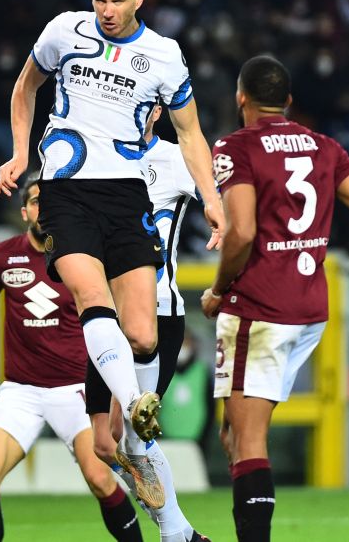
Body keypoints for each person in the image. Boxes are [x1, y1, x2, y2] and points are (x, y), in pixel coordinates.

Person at [0, 0, 224, 504]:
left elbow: (190, 135)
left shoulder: (164, 56)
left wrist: (211, 198)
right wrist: (20, 154)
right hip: (66, 189)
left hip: (126, 196)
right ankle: (138, 409)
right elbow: (25, 89)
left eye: (117, 1)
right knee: (91, 296)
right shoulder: (62, 31)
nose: (107, 11)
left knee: (143, 334)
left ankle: (137, 442)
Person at [201, 56, 349, 542]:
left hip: (260, 309)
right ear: (288, 102)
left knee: (246, 441)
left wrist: (218, 289)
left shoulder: (234, 147)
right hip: (309, 313)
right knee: (236, 437)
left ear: (240, 97)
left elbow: (242, 231)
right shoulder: (324, 147)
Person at [0, 174, 143, 542]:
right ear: (25, 211)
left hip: (79, 390)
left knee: (102, 479)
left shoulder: (84, 259)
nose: (44, 208)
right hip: (21, 391)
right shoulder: (0, 256)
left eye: (50, 201)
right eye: (37, 201)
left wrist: (122, 385)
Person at [86, 102, 210, 542]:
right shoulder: (97, 156)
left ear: (156, 110)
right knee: (104, 444)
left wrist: (224, 223)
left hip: (158, 314)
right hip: (105, 318)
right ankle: (181, 532)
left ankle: (177, 535)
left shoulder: (178, 159)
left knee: (135, 439)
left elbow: (227, 204)